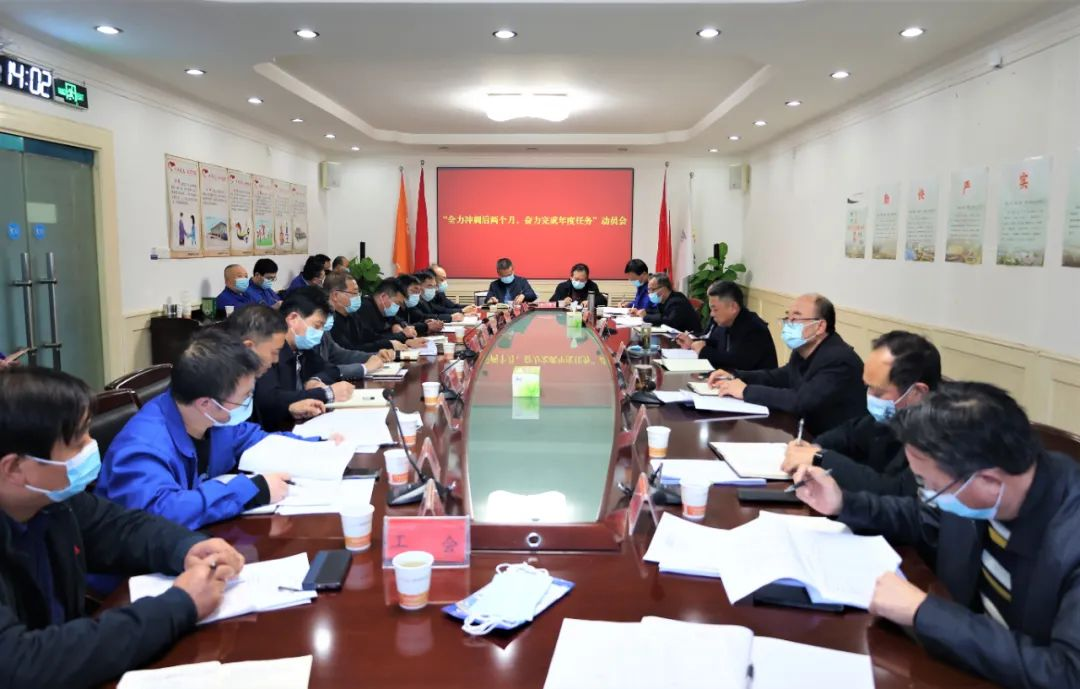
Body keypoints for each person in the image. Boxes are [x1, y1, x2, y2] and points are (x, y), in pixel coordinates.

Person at [793, 382, 1080, 689]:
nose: (928, 495)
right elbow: (923, 520)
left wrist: (924, 613)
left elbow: (1066, 673)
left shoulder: (1069, 535)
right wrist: (843, 503)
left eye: (932, 486)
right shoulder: (979, 482)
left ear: (988, 481)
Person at [0, 367, 245, 688]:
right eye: (76, 442)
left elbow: (122, 528)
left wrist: (188, 547)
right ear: (15, 468)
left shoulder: (54, 502)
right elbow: (22, 664)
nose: (91, 446)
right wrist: (181, 604)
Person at [96, 329, 300, 529]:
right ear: (206, 404)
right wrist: (252, 491)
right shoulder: (143, 447)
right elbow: (161, 513)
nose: (248, 402)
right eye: (245, 397)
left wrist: (313, 444)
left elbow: (251, 437)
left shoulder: (213, 419)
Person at [781, 330, 941, 496]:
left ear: (917, 392)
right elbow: (850, 433)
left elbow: (893, 491)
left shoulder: (941, 435)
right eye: (868, 386)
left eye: (878, 391)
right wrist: (814, 447)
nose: (869, 396)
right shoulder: (896, 415)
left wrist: (819, 458)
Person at [709, 293, 864, 435]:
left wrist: (746, 391)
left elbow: (801, 401)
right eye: (787, 318)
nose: (788, 324)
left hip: (840, 445)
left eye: (795, 319)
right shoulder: (803, 350)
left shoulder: (839, 359)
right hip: (805, 433)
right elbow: (780, 376)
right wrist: (736, 375)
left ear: (820, 326)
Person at [254, 287, 354, 430]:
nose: (320, 333)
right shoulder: (269, 351)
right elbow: (269, 399)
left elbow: (331, 369)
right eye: (317, 326)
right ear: (293, 319)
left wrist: (315, 380)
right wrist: (327, 394)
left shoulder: (301, 348)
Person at [224, 305, 327, 423]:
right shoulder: (222, 385)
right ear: (249, 347)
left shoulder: (245, 376)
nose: (276, 360)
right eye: (274, 352)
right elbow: (233, 431)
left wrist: (289, 409)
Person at [676, 281, 776, 371]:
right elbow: (716, 344)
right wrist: (692, 343)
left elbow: (738, 363)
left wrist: (703, 351)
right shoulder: (727, 322)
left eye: (715, 309)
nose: (711, 314)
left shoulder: (754, 328)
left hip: (754, 384)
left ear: (733, 307)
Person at [321, 273, 395, 375]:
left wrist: (375, 355)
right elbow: (344, 352)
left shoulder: (352, 315)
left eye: (358, 293)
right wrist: (364, 367)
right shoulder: (329, 323)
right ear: (335, 295)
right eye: (354, 293)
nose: (358, 297)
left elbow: (368, 337)